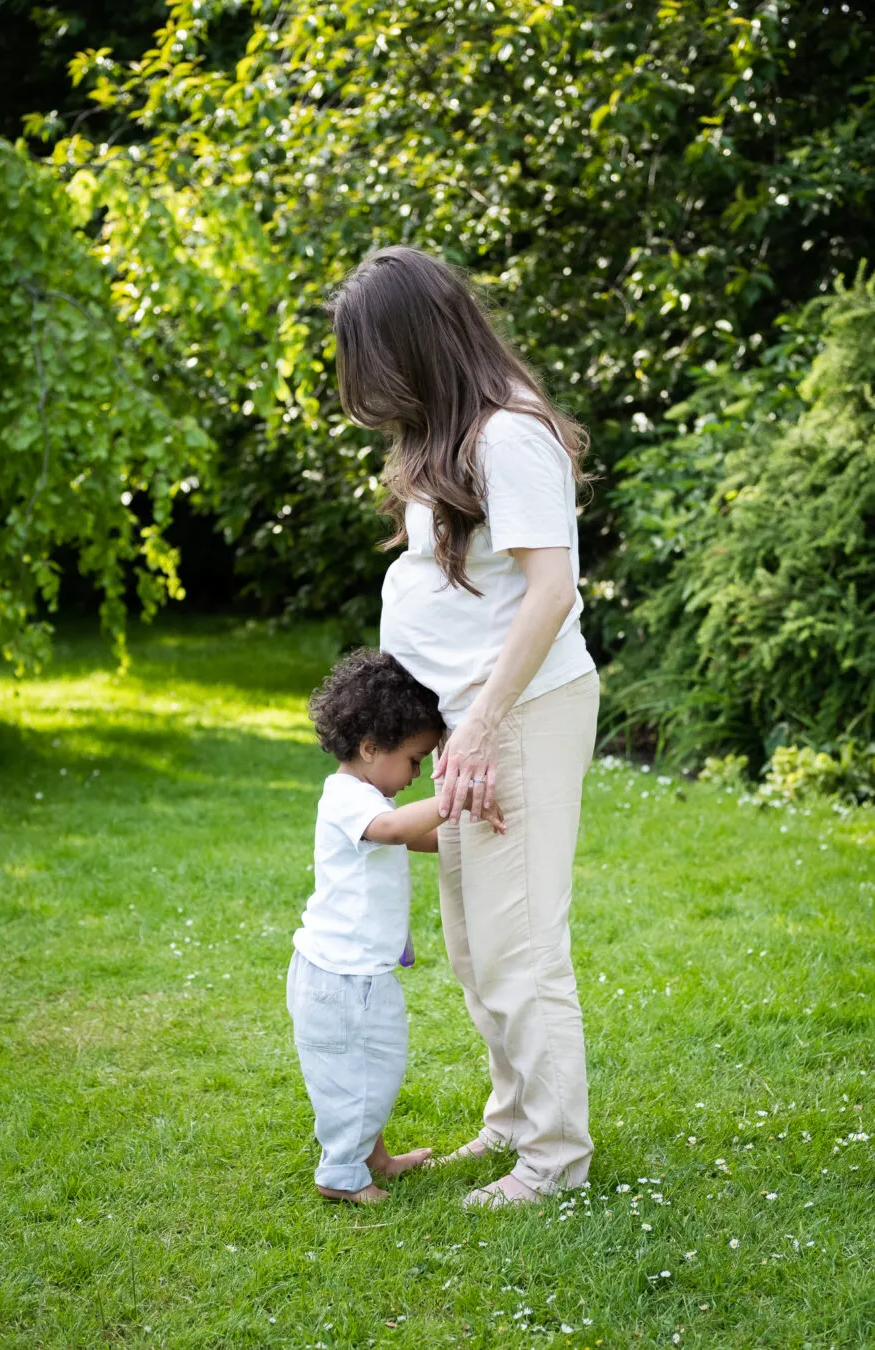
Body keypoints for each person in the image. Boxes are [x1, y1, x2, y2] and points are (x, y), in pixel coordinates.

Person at [326, 246, 600, 1208]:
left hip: (516, 711)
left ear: (415, 346)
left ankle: (555, 1158)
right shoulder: (449, 435)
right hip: (470, 718)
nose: (365, 384)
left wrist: (480, 725)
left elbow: (552, 592)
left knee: (519, 941)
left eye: (372, 358)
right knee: (475, 942)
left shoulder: (508, 436)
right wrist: (455, 723)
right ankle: (515, 1118)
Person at [288, 648, 504, 1205]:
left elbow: (421, 836)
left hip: (359, 974)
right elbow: (391, 829)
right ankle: (341, 1174)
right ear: (368, 748)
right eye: (415, 761)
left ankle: (374, 1157)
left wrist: (470, 827)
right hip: (340, 980)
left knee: (372, 1073)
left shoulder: (371, 798)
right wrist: (452, 793)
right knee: (354, 1079)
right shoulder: (349, 800)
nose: (418, 774)